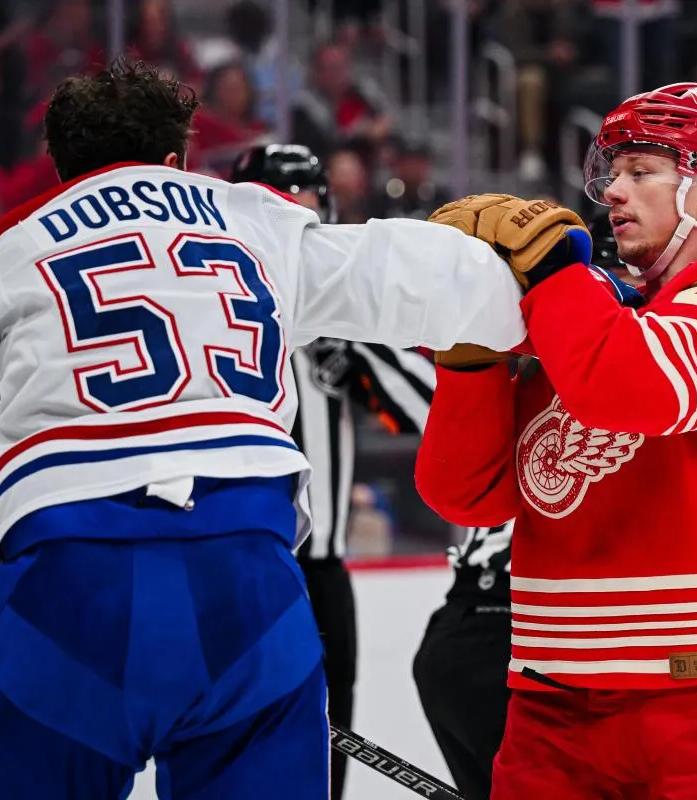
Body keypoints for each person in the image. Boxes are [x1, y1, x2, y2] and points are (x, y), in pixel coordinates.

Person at [0, 61, 573, 800]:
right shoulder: (255, 216)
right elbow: (425, 279)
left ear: (61, 167)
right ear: (178, 157)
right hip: (250, 580)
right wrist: (578, 277)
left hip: (72, 583)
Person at [417, 82, 697, 799]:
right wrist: (470, 355)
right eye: (613, 172)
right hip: (553, 708)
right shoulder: (580, 318)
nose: (615, 194)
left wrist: (553, 277)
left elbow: (627, 387)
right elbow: (467, 495)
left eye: (643, 172)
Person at [230, 142, 438, 800]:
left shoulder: (339, 307)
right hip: (232, 561)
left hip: (318, 569)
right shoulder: (213, 300)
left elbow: (430, 406)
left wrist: (350, 352)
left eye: (311, 206)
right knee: (232, 737)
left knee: (329, 737)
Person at [412, 211, 644, 800]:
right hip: (524, 647)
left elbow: (459, 493)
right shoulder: (628, 369)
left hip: (462, 636)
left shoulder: (538, 379)